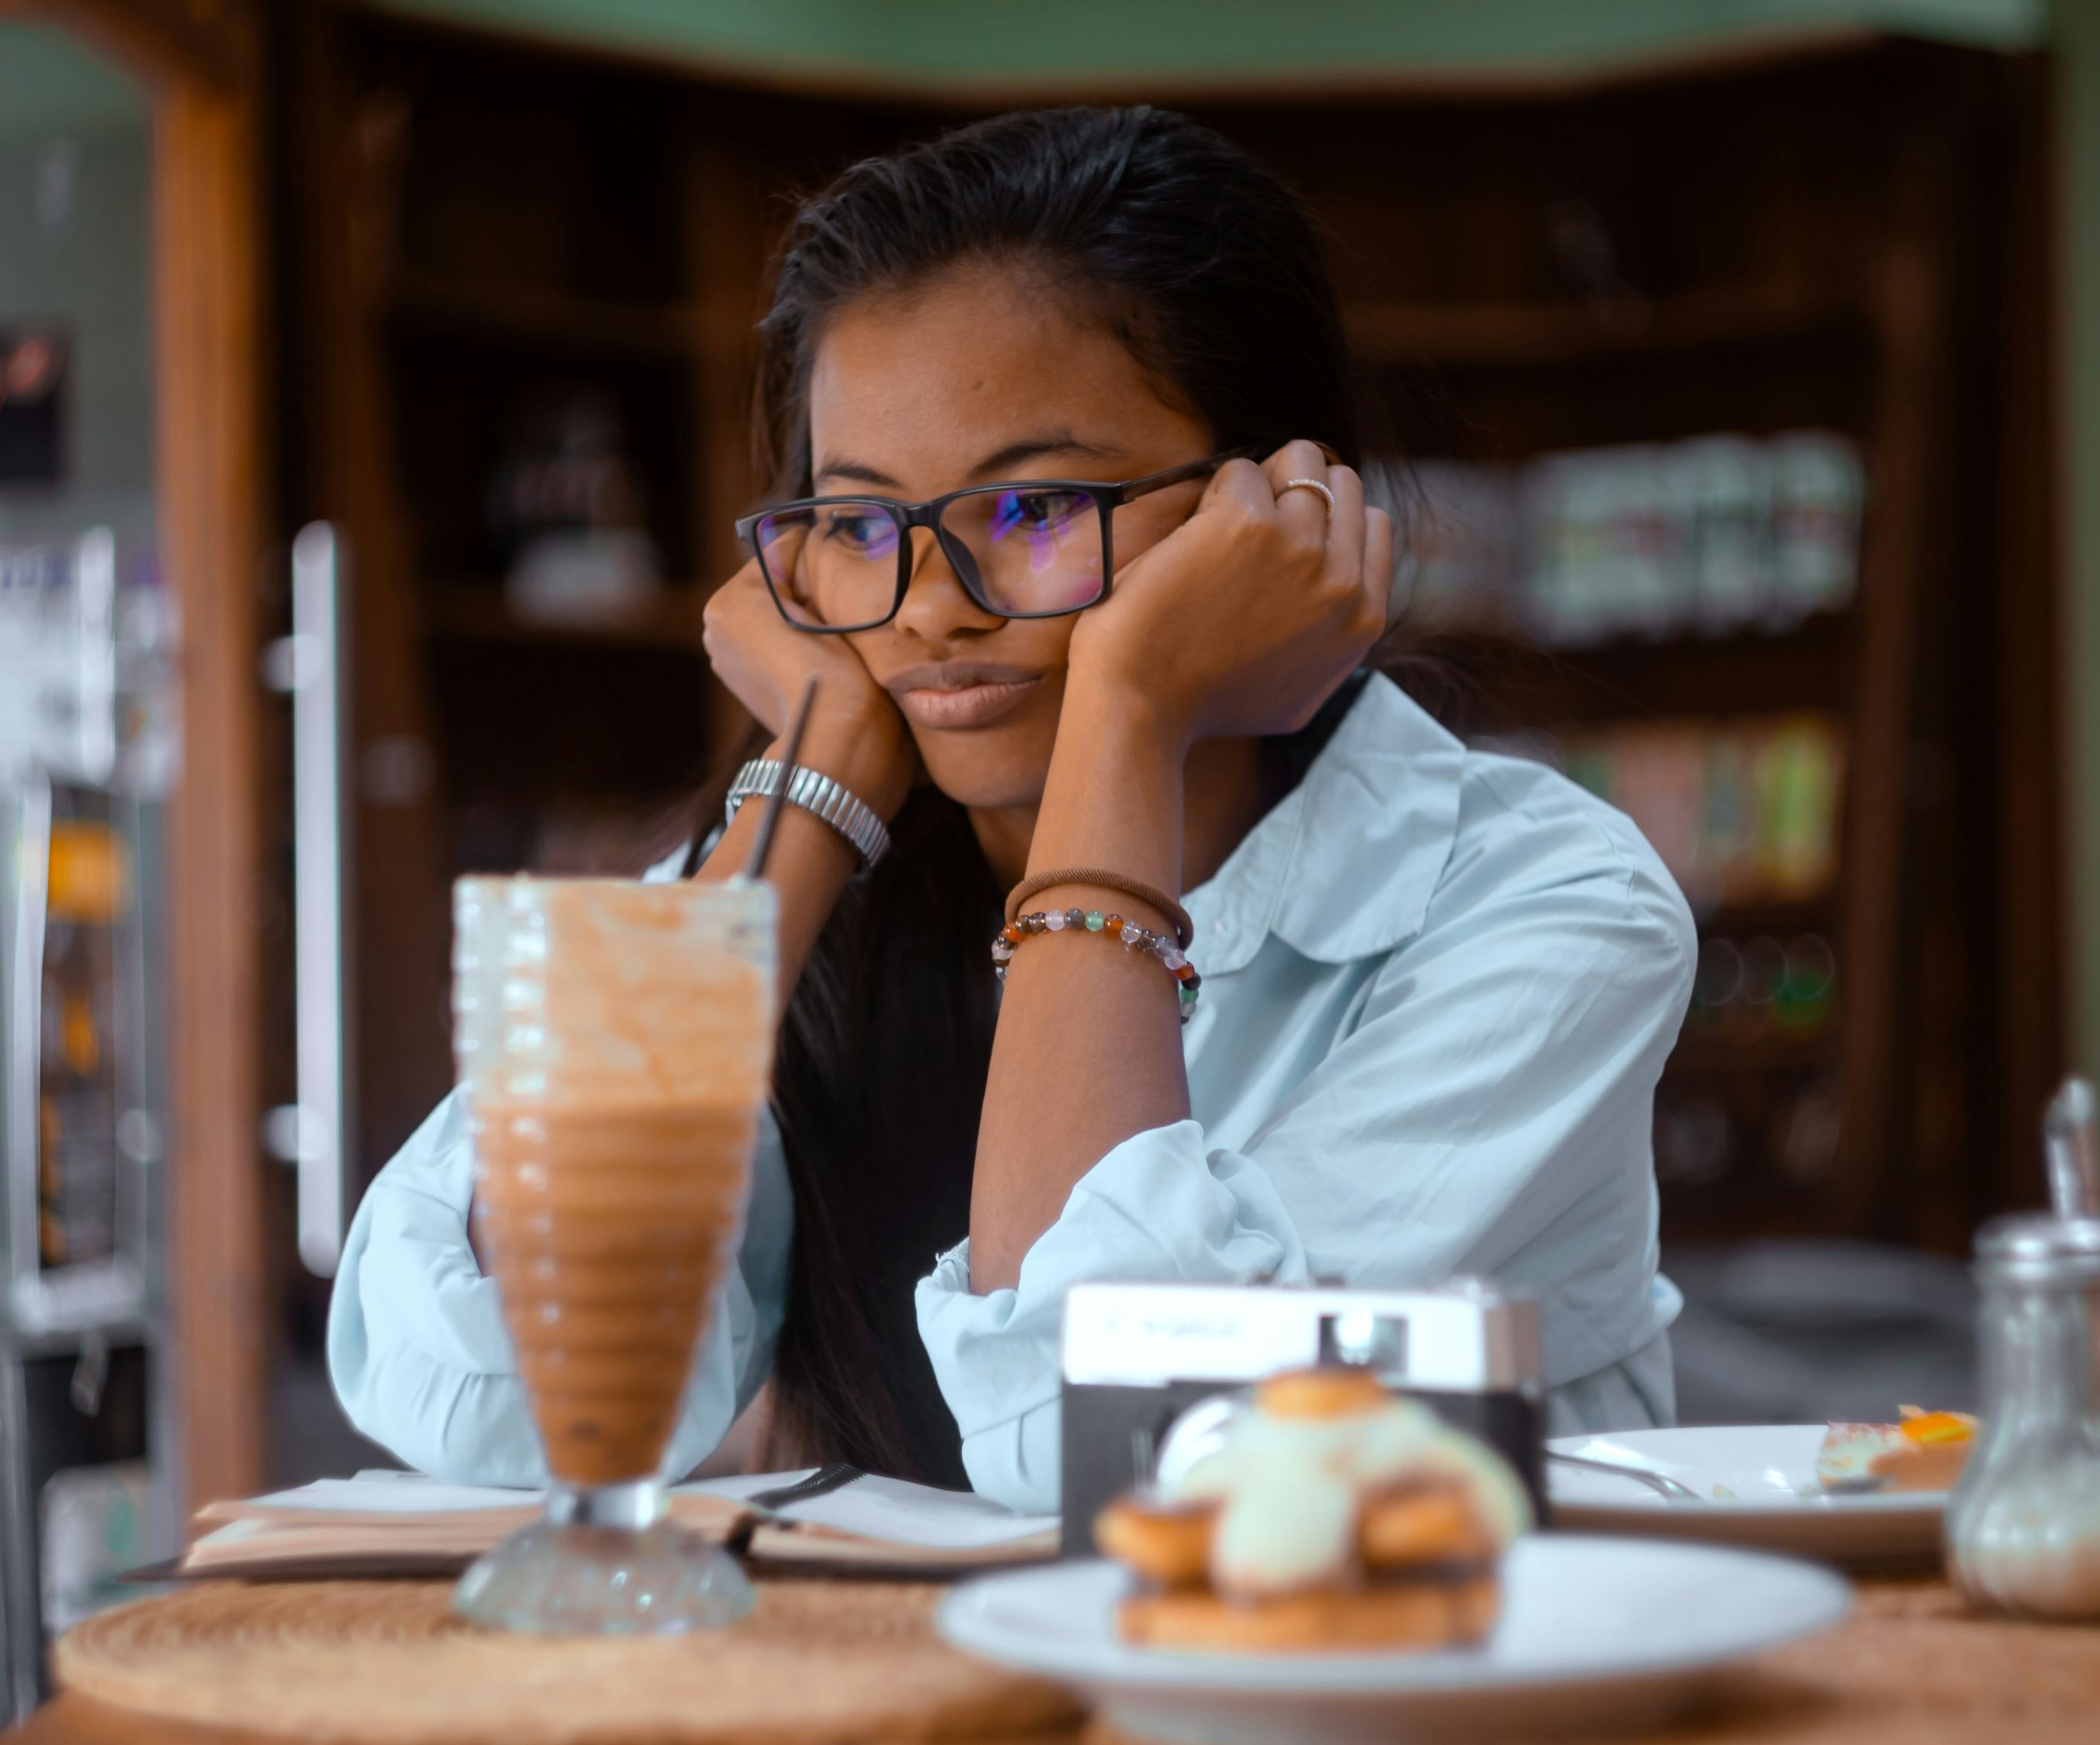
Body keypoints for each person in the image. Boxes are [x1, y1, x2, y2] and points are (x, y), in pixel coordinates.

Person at [329, 106, 1696, 1513]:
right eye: (859, 525)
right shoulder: (804, 864)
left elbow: (1101, 1430)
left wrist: (1126, 712)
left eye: (1037, 511)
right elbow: (509, 1392)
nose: (927, 610)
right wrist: (800, 792)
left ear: (1278, 509)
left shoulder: (1542, 906)